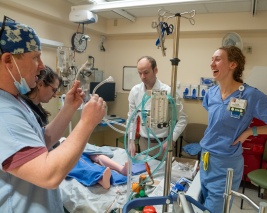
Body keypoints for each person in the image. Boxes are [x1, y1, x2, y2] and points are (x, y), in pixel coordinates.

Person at [0, 18, 106, 212]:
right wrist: (87, 123)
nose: (42, 66)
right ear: (8, 60)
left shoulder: (14, 100)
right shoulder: (3, 114)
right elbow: (48, 175)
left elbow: (43, 140)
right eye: (35, 58)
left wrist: (69, 108)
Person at [199, 45, 267, 212]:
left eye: (217, 59)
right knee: (200, 203)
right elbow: (216, 125)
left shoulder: (250, 95)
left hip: (226, 164)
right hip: (205, 158)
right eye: (211, 60)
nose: (212, 64)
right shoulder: (211, 93)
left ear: (233, 65)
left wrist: (252, 131)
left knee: (214, 209)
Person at [20, 65, 128, 190]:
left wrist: (70, 107)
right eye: (54, 90)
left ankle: (120, 169)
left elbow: (45, 136)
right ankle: (99, 176)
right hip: (50, 155)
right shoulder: (17, 111)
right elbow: (46, 166)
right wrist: (87, 122)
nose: (55, 95)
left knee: (90, 151)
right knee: (78, 161)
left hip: (56, 144)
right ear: (40, 84)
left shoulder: (34, 109)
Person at [127, 56, 187, 159]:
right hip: (144, 142)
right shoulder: (135, 91)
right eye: (140, 73)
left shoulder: (168, 92)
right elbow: (131, 119)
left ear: (155, 70)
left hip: (163, 144)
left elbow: (182, 119)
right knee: (144, 172)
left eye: (146, 72)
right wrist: (131, 141)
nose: (142, 77)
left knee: (161, 173)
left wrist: (171, 139)